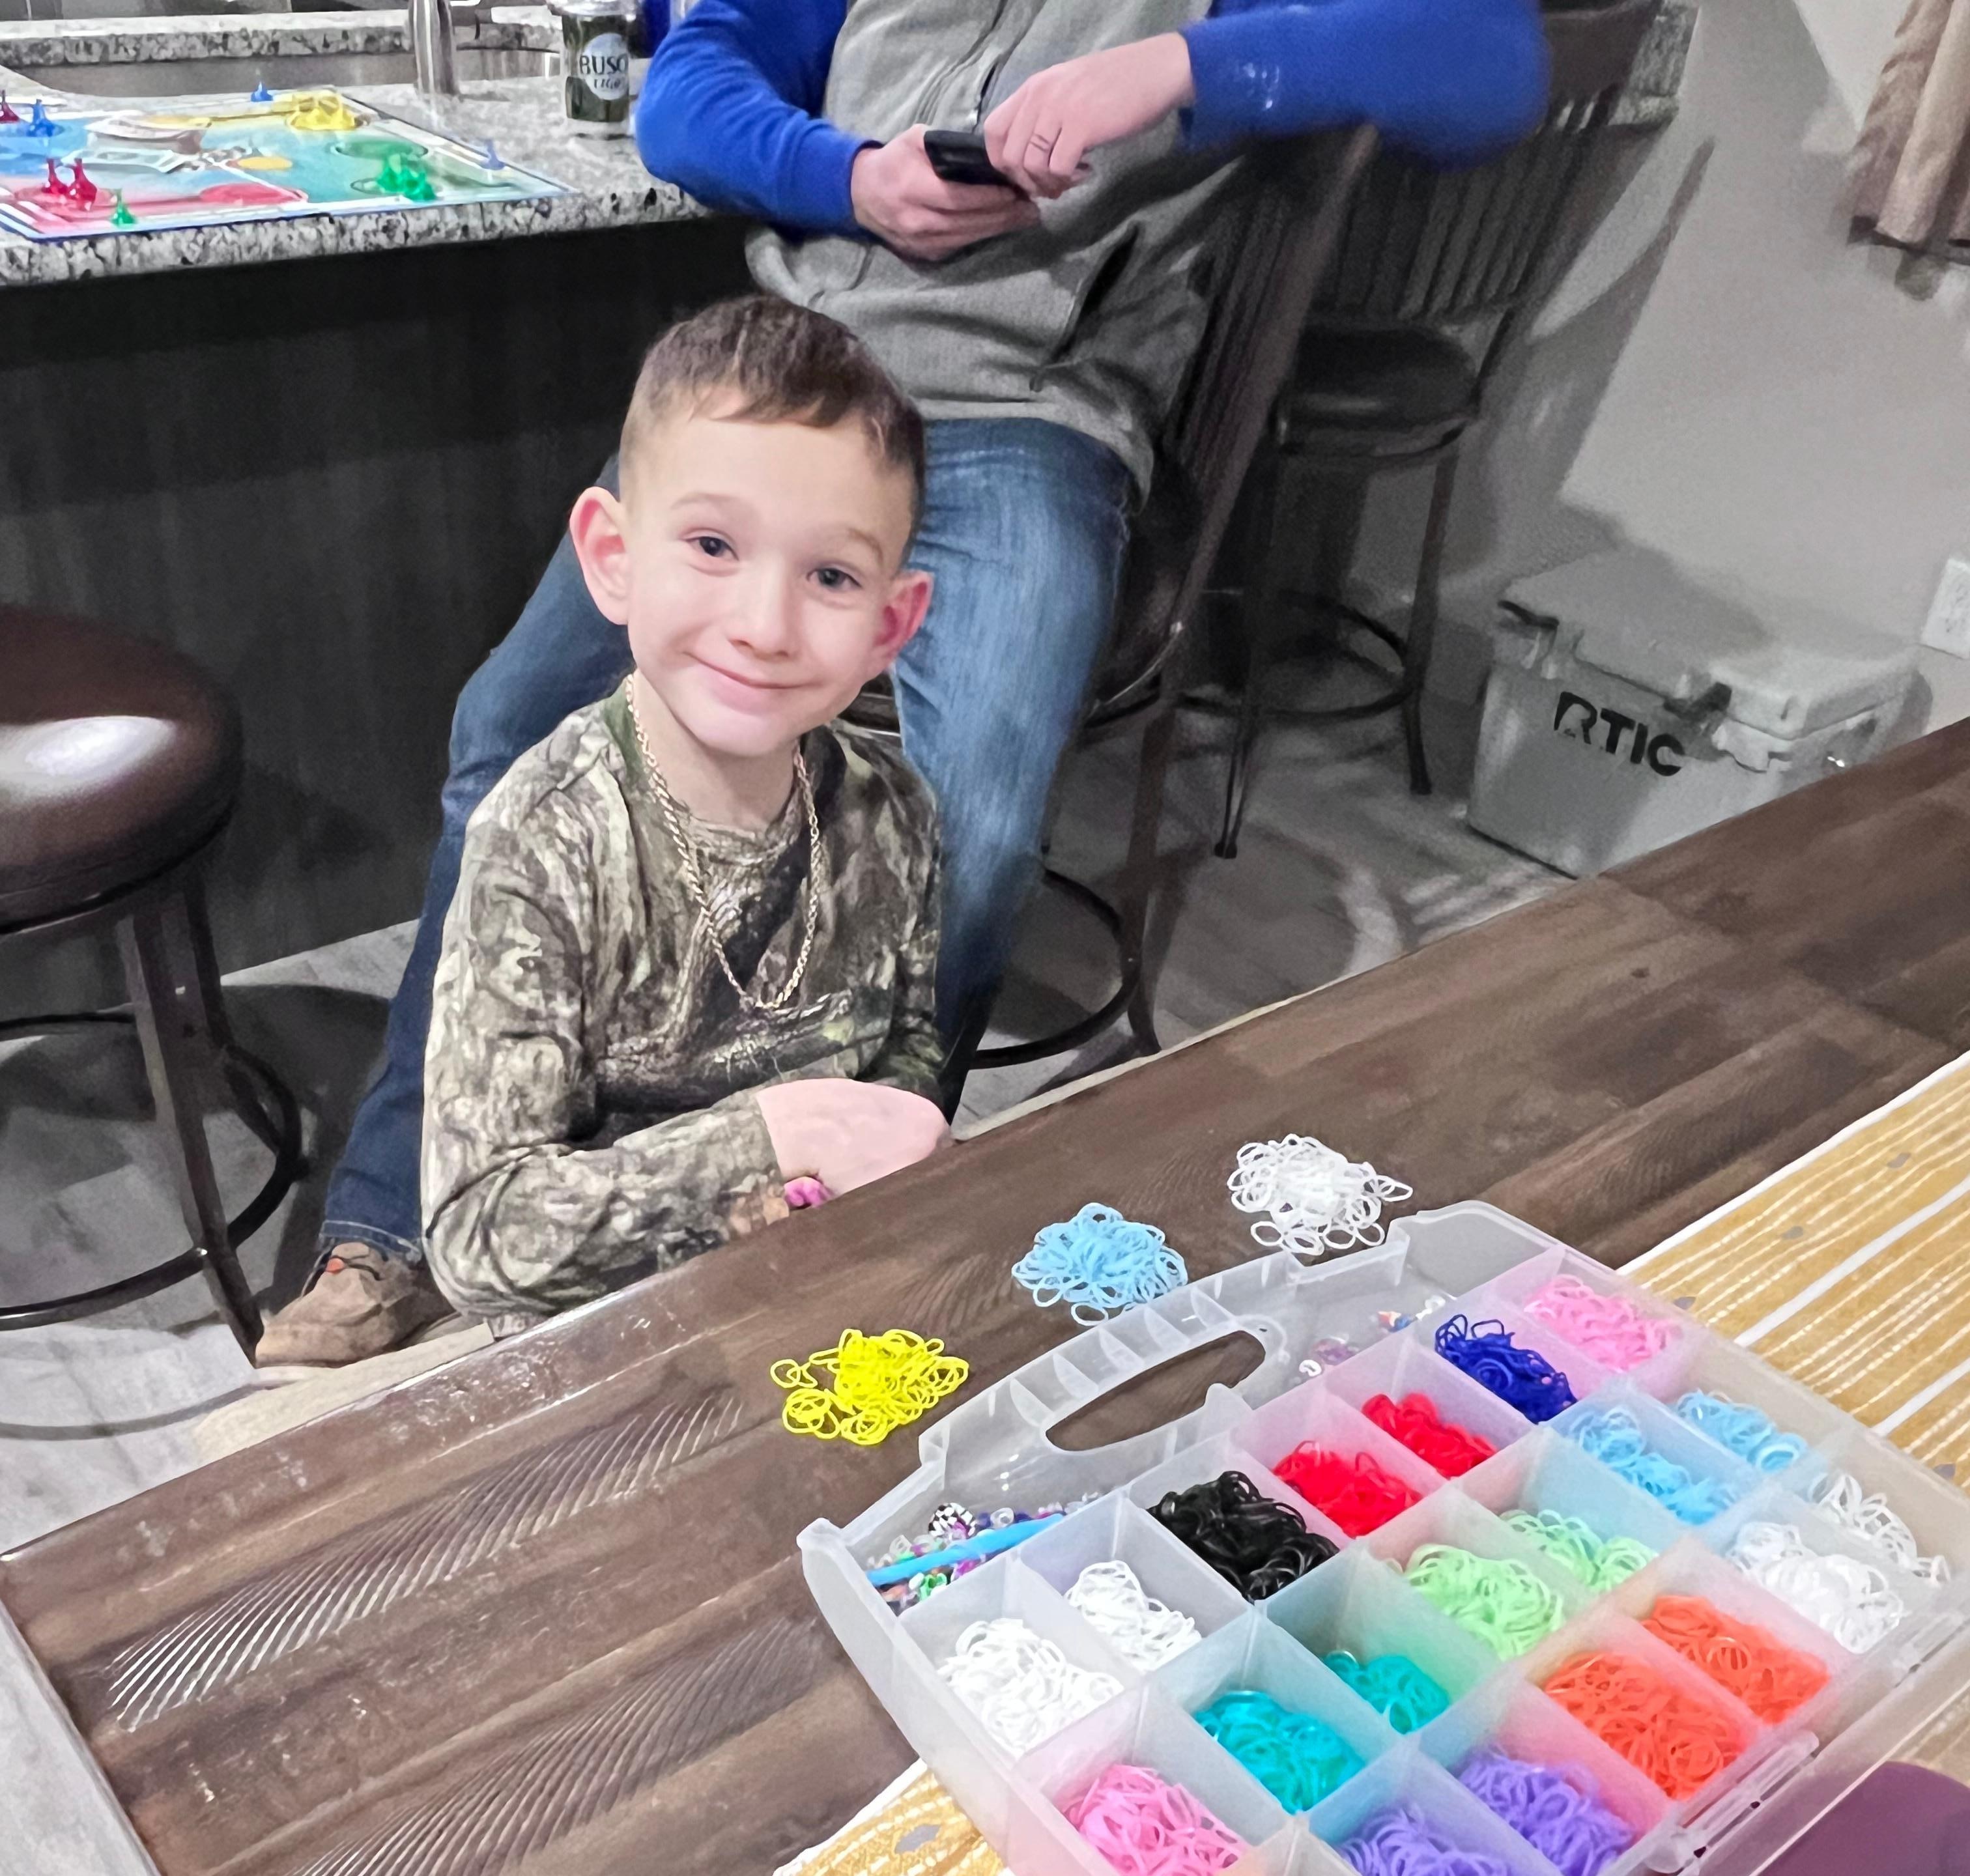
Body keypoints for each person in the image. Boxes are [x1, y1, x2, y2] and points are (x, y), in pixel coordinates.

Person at [257, 0, 1547, 1369]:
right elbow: (691, 87)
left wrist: (1173, 69)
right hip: (800, 405)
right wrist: (848, 176)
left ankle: (852, 1219)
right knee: (506, 727)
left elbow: (1491, 58)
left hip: (1029, 423)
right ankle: (394, 1221)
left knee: (973, 820)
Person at [416, 296, 947, 1335]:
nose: (763, 627)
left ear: (892, 623)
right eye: (712, 545)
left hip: (829, 1291)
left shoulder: (894, 808)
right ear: (612, 558)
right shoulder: (545, 838)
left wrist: (866, 1152)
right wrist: (771, 1138)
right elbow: (481, 1236)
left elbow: (908, 1047)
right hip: (608, 1342)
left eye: (830, 576)